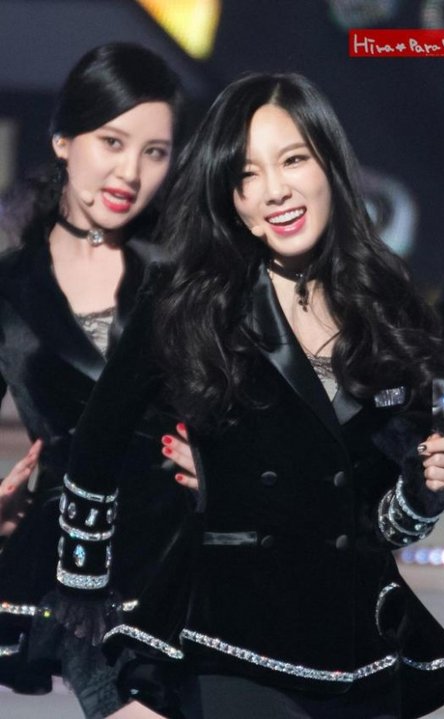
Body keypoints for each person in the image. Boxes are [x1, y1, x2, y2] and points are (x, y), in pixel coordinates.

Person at [52, 73, 444, 719]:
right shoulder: (190, 300)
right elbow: (97, 443)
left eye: (293, 160)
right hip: (233, 636)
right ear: (231, 198)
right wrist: (82, 590)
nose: (274, 190)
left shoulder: (385, 303)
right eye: (246, 175)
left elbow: (382, 524)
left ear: (331, 164)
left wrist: (426, 492)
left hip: (361, 645)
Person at [0, 42, 192, 718]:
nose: (130, 172)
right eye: (112, 141)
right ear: (62, 139)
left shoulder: (189, 277)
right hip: (76, 560)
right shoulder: (9, 287)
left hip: (189, 551)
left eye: (154, 151)